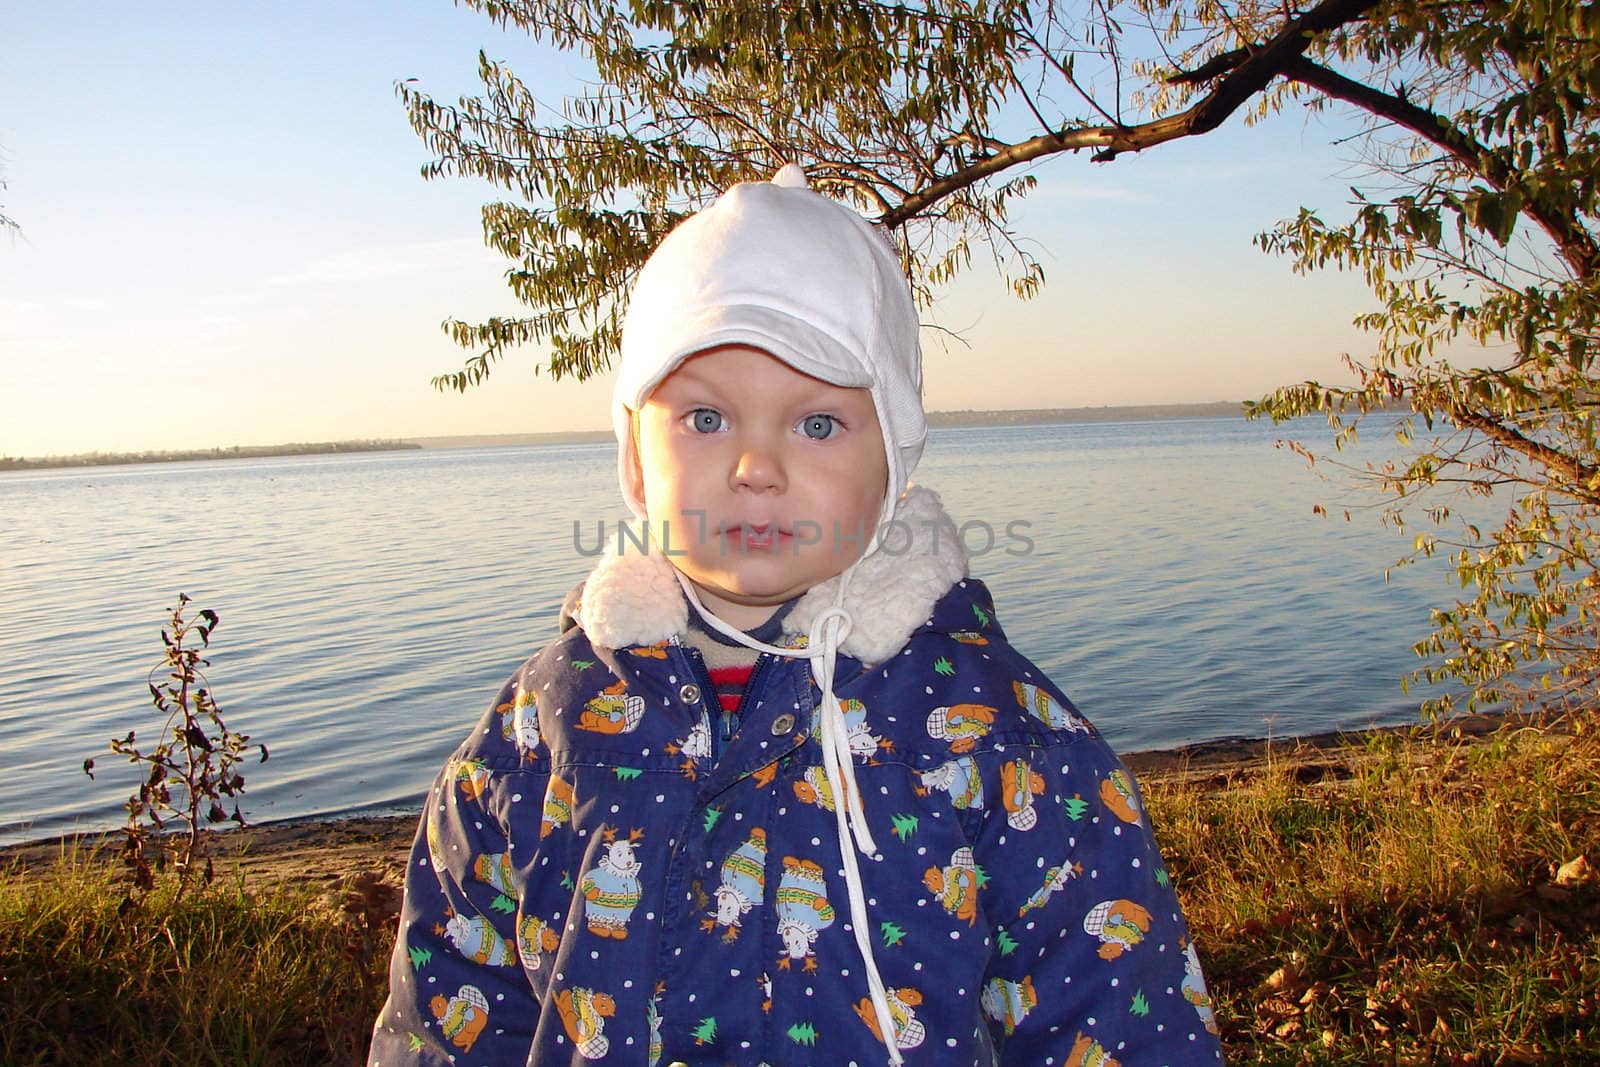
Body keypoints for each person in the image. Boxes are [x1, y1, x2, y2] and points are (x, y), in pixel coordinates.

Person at [369, 165, 1224, 1066]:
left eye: (817, 424)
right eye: (705, 417)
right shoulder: (538, 729)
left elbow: (1116, 1010)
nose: (755, 466)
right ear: (633, 462)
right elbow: (449, 1008)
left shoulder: (996, 730)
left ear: (891, 466)